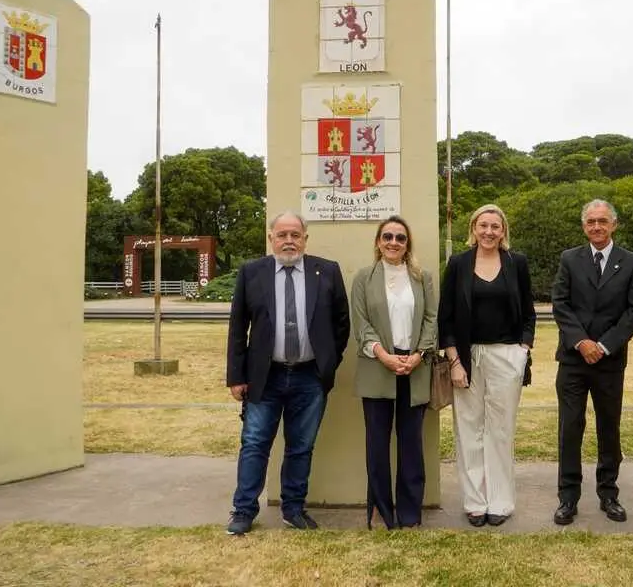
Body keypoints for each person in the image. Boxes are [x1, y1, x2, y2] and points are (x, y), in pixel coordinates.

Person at [224, 210, 350, 535]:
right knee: (254, 443)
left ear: (305, 238)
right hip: (264, 377)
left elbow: (341, 324)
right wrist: (236, 377)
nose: (289, 241)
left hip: (310, 378)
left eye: (295, 234)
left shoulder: (328, 272)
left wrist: (327, 364)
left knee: (301, 446)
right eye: (282, 235)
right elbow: (238, 328)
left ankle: (293, 509)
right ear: (271, 239)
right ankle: (243, 511)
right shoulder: (252, 273)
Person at [438, 203, 535, 527]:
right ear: (474, 229)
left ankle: (501, 501)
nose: (489, 232)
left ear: (503, 230)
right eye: (483, 226)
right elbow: (446, 317)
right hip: (466, 357)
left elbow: (529, 314)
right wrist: (454, 361)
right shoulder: (458, 263)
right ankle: (475, 502)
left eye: (495, 226)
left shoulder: (516, 263)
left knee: (500, 430)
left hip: (506, 356)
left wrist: (523, 348)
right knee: (469, 429)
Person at [550, 199, 633, 526]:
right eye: (590, 221)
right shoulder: (569, 259)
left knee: (609, 429)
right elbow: (560, 304)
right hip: (573, 360)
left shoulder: (632, 263)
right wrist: (583, 342)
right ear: (583, 226)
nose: (596, 227)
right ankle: (568, 497)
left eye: (602, 221)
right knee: (570, 429)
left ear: (614, 225)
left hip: (609, 361)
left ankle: (609, 493)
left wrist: (603, 346)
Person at [350, 216, 437, 530]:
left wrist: (417, 355)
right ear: (378, 241)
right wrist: (384, 356)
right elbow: (361, 326)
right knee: (377, 444)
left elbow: (431, 320)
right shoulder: (363, 278)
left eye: (400, 238)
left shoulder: (421, 277)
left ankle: (410, 513)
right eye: (387, 236)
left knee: (411, 444)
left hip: (414, 368)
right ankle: (381, 510)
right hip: (378, 367)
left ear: (407, 244)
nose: (393, 242)